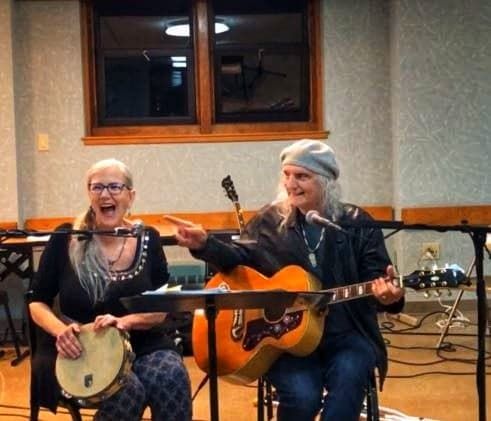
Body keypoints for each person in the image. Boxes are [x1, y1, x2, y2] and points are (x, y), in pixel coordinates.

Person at [166, 139, 405, 421]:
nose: (291, 184)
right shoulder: (270, 221)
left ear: (326, 182)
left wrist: (390, 297)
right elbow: (237, 259)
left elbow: (379, 281)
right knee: (302, 397)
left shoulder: (356, 223)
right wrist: (205, 244)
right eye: (287, 175)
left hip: (347, 335)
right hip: (285, 340)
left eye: (302, 176)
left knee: (348, 384)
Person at [29, 158, 192, 421]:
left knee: (170, 376)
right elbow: (37, 301)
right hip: (78, 346)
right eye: (97, 187)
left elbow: (165, 300)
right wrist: (60, 331)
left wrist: (125, 322)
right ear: (89, 194)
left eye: (115, 187)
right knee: (128, 391)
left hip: (141, 341)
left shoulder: (148, 237)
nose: (105, 195)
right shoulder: (66, 238)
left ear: (131, 196)